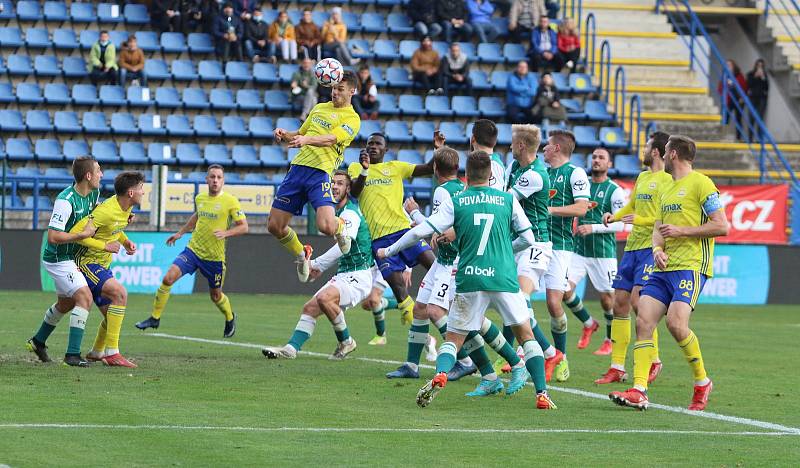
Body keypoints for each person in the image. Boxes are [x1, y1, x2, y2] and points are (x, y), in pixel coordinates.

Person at [377, 152, 557, 410]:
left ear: (467, 174)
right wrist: (507, 250)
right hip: (504, 277)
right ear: (491, 175)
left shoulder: (458, 201)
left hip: (469, 277)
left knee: (453, 338)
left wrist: (389, 251)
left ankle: (440, 374)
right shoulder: (507, 199)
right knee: (526, 335)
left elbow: (420, 231)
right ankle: (541, 393)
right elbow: (529, 238)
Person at [610, 135, 729, 411]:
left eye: (665, 152)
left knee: (676, 325)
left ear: (673, 154)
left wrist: (683, 231)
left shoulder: (702, 183)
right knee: (643, 320)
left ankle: (701, 382)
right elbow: (657, 230)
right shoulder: (667, 189)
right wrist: (657, 251)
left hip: (691, 266)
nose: (662, 156)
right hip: (665, 266)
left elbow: (722, 226)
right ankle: (639, 389)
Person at [347, 133, 436, 370]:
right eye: (370, 144)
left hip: (405, 232)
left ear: (386, 150)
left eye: (378, 144)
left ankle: (459, 321)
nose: (373, 147)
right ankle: (428, 341)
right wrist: (365, 170)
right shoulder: (356, 168)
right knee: (400, 293)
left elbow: (429, 168)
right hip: (380, 242)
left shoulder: (396, 167)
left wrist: (439, 148)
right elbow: (354, 193)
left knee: (437, 267)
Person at [262, 171, 373, 361]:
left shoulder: (350, 214)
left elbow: (343, 248)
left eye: (340, 184)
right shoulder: (336, 214)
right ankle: (291, 349)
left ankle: (346, 341)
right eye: (332, 183)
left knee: (324, 298)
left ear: (348, 189)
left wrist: (316, 264)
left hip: (360, 275)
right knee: (310, 308)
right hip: (345, 274)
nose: (335, 187)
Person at [268, 71, 361, 282]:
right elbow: (300, 133)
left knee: (326, 226)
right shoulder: (319, 108)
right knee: (274, 225)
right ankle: (303, 254)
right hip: (297, 170)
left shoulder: (353, 119)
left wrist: (307, 139)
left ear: (352, 91)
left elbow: (330, 139)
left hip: (320, 173)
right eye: (333, 88)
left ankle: (341, 227)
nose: (335, 92)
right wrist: (285, 135)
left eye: (340, 89)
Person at [135, 165, 248, 337]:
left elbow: (244, 227)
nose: (215, 180)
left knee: (216, 296)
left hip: (214, 259)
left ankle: (230, 317)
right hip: (193, 251)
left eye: (218, 177)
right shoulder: (200, 198)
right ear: (206, 180)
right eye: (212, 177)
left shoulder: (230, 201)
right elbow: (197, 216)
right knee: (168, 278)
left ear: (223, 180)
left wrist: (226, 233)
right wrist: (180, 233)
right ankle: (154, 318)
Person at [595, 132, 672, 385]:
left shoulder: (668, 180)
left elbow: (667, 219)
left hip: (651, 248)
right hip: (632, 247)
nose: (643, 150)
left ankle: (654, 359)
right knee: (619, 303)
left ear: (656, 152)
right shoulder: (643, 177)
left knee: (641, 304)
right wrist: (614, 217)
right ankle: (617, 366)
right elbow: (631, 207)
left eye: (647, 146)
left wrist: (642, 221)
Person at [498, 124, 564, 382]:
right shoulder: (514, 167)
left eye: (513, 142)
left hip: (536, 245)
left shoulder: (535, 175)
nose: (510, 146)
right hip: (517, 243)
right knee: (511, 302)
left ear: (522, 145)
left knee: (521, 302)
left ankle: (531, 354)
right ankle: (548, 352)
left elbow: (505, 201)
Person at [27, 157, 101, 367]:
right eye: (98, 171)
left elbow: (97, 216)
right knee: (84, 297)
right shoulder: (65, 200)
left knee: (66, 303)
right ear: (88, 176)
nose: (101, 175)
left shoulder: (94, 194)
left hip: (70, 257)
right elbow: (53, 237)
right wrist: (82, 235)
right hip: (58, 259)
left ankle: (38, 341)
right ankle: (72, 354)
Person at [70, 171, 146, 368]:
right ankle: (112, 353)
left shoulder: (124, 209)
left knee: (110, 314)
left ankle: (96, 352)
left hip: (102, 265)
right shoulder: (106, 210)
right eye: (141, 189)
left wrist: (125, 240)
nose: (143, 193)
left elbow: (113, 228)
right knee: (120, 294)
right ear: (130, 193)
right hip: (86, 263)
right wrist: (104, 246)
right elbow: (76, 233)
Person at [563, 148, 626, 354]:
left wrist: (593, 228)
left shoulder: (614, 190)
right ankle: (589, 323)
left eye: (601, 158)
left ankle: (609, 339)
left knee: (608, 299)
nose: (596, 160)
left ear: (609, 164)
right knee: (564, 291)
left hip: (603, 254)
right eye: (594, 157)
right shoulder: (583, 186)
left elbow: (620, 225)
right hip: (579, 252)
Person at [543, 129, 591, 382]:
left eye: (547, 145)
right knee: (516, 296)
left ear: (557, 149)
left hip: (560, 245)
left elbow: (582, 208)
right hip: (533, 243)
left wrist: (549, 210)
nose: (543, 149)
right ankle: (514, 356)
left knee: (553, 302)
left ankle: (561, 356)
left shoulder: (576, 173)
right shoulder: (542, 173)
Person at [717, 59, 747, 141]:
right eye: (726, 65)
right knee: (726, 118)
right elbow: (720, 88)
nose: (728, 66)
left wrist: (742, 97)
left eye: (730, 65)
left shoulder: (739, 75)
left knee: (738, 119)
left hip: (738, 100)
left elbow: (744, 87)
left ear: (734, 66)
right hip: (728, 100)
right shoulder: (724, 76)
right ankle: (723, 136)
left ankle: (738, 137)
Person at [746, 59, 769, 142]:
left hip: (762, 98)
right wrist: (755, 76)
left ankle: (759, 139)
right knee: (751, 118)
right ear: (755, 66)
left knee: (760, 119)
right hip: (752, 98)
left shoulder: (764, 75)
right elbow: (748, 85)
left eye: (761, 65)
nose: (759, 67)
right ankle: (750, 138)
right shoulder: (750, 74)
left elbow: (766, 87)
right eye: (758, 65)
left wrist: (763, 78)